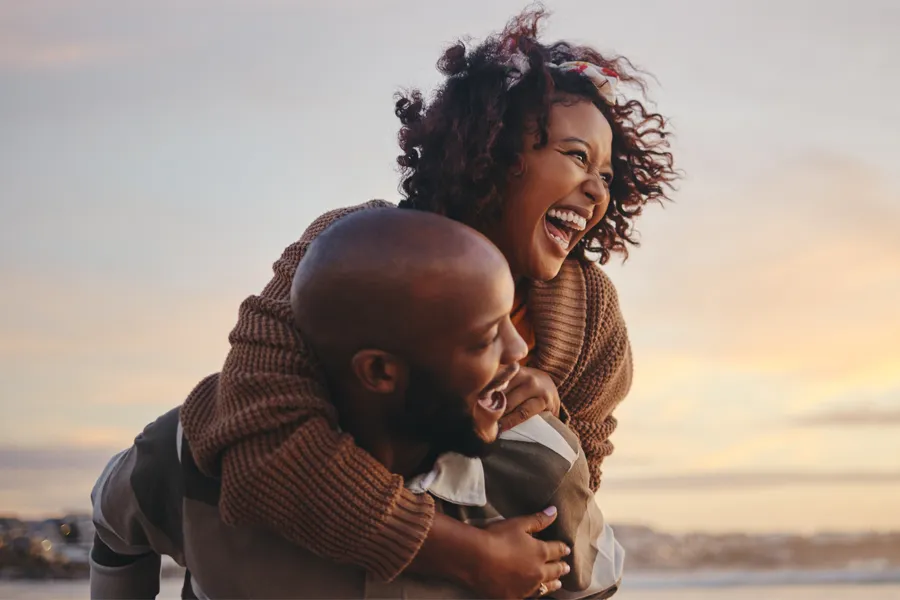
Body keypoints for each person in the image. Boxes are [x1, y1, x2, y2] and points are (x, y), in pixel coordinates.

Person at [179, 7, 676, 599]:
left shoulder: (591, 312)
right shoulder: (351, 249)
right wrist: (464, 555)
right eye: (575, 155)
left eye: (607, 173)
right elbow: (261, 445)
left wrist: (555, 421)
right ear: (493, 150)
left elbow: (574, 499)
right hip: (289, 563)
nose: (597, 190)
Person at [89, 209, 623, 599]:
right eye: (486, 338)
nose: (522, 350)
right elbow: (114, 525)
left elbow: (593, 584)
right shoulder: (194, 451)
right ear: (380, 371)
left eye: (514, 317)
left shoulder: (541, 465)